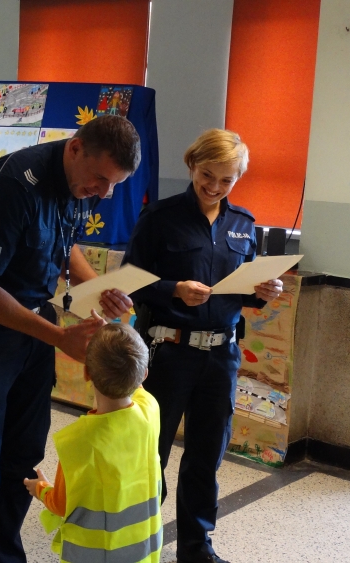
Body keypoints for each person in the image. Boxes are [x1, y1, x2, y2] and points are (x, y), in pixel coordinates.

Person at [0, 115, 142, 563]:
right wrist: (60, 337)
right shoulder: (12, 185)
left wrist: (96, 287)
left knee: (20, 462)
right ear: (75, 149)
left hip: (33, 326)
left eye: (114, 185)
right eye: (101, 179)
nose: (103, 192)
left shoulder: (78, 183)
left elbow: (65, 245)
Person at [124, 129, 283, 563]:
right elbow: (129, 281)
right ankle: (138, 541)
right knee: (151, 453)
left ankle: (197, 547)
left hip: (221, 356)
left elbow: (245, 289)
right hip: (168, 351)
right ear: (192, 165)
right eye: (207, 175)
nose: (214, 186)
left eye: (226, 180)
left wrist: (263, 291)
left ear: (238, 178)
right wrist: (173, 289)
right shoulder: (159, 217)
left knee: (206, 455)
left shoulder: (243, 224)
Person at [24, 323, 162, 563]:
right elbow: (132, 376)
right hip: (142, 550)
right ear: (144, 375)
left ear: (86, 373)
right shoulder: (150, 408)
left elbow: (60, 504)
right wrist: (115, 341)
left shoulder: (78, 441)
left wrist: (39, 488)